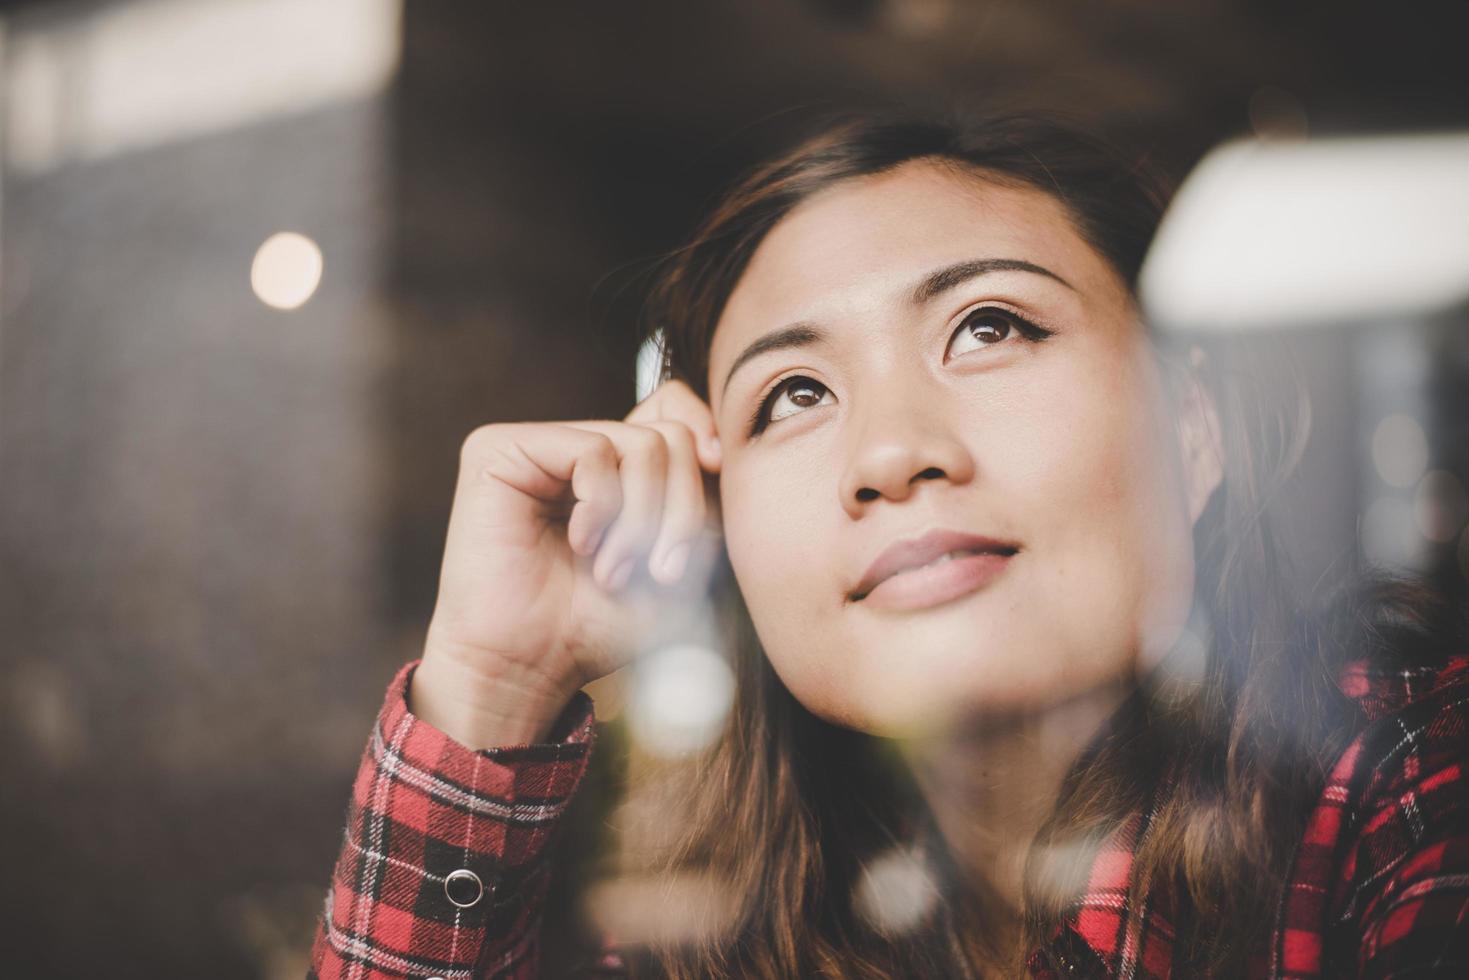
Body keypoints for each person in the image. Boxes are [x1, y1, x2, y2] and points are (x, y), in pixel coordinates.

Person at [308, 113, 1469, 978]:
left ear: (1195, 426)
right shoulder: (710, 936)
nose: (891, 452)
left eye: (988, 326)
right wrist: (491, 686)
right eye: (793, 395)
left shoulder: (1410, 786)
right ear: (721, 518)